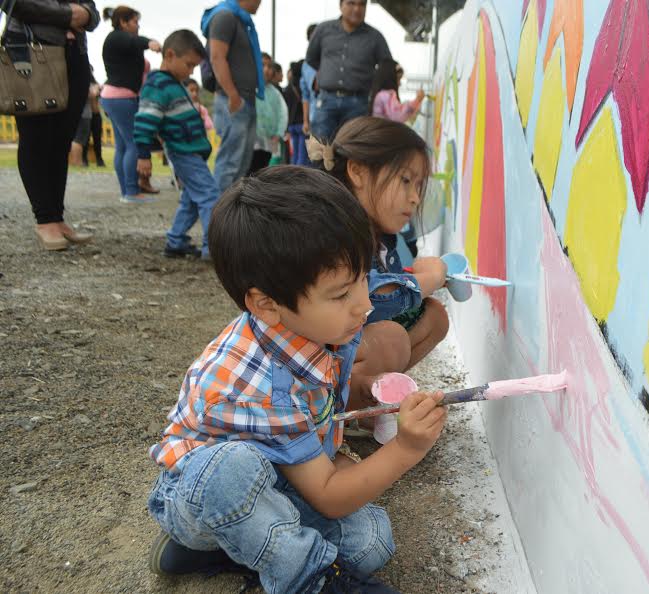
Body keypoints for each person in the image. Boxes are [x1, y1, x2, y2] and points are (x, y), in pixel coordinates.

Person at [146, 166, 446, 592]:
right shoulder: (265, 388)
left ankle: (232, 550)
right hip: (203, 494)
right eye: (342, 293)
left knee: (372, 542)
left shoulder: (321, 326)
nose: (362, 304)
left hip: (278, 478)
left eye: (361, 278)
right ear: (267, 305)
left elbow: (320, 438)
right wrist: (407, 447)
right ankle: (312, 579)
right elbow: (326, 491)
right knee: (230, 471)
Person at [307, 117, 450, 423]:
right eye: (405, 180)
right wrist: (430, 277)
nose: (415, 197)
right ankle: (342, 411)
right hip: (305, 369)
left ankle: (365, 397)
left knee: (434, 316)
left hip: (337, 351)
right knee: (390, 338)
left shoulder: (381, 236)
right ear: (358, 171)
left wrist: (416, 281)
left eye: (420, 185)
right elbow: (371, 298)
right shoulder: (336, 230)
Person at [7, 0, 99, 250]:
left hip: (75, 54)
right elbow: (15, 4)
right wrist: (69, 14)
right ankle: (44, 219)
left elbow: (93, 13)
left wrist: (87, 15)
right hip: (31, 51)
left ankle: (57, 217)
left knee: (61, 139)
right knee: (35, 136)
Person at [134, 30, 218, 260]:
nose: (191, 72)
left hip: (191, 152)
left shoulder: (173, 83)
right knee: (210, 196)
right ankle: (214, 248)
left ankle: (176, 241)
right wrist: (143, 155)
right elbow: (144, 121)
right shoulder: (157, 85)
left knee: (192, 198)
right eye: (189, 65)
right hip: (183, 152)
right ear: (169, 55)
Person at [99, 5, 161, 203]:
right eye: (134, 21)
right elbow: (134, 41)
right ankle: (132, 192)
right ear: (123, 22)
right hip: (121, 98)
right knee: (133, 143)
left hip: (115, 97)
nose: (137, 26)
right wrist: (150, 42)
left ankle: (127, 191)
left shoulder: (122, 43)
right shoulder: (117, 37)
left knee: (123, 146)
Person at [305, 0, 391, 141]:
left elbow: (387, 67)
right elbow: (311, 58)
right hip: (326, 100)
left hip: (358, 104)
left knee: (353, 151)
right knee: (319, 152)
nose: (357, 9)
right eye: (351, 3)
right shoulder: (323, 30)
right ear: (341, 5)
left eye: (362, 4)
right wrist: (327, 73)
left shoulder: (375, 37)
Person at [201, 0, 263, 193]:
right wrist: (233, 95)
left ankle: (230, 217)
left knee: (241, 166)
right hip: (233, 101)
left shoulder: (242, 21)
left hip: (246, 100)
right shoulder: (224, 16)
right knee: (229, 164)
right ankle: (216, 217)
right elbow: (217, 57)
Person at [248, 53, 287, 174]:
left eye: (270, 66)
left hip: (270, 140)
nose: (266, 69)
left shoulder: (275, 93)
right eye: (262, 65)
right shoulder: (248, 89)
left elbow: (283, 114)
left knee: (263, 168)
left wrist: (278, 133)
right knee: (249, 169)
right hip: (251, 140)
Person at [370, 59, 424, 123]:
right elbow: (398, 116)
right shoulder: (385, 95)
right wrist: (417, 100)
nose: (399, 84)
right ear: (390, 78)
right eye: (398, 79)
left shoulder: (381, 95)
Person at [284, 60, 308, 165]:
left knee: (294, 155)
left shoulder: (288, 88)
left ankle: (293, 176)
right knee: (303, 157)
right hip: (303, 125)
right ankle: (299, 178)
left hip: (291, 125)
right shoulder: (303, 87)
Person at [300, 23, 318, 153]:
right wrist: (306, 121)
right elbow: (305, 95)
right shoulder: (307, 65)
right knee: (317, 158)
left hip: (340, 117)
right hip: (316, 118)